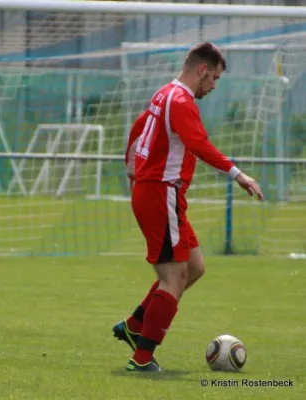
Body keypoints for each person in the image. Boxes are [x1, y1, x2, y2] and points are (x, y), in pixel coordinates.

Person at [112, 42, 264, 372]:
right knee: (174, 277)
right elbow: (197, 143)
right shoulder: (181, 100)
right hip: (159, 194)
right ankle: (141, 358)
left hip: (162, 196)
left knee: (194, 267)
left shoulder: (164, 93)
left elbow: (138, 127)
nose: (213, 86)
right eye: (215, 79)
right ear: (202, 70)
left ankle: (135, 325)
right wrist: (238, 174)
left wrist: (130, 170)